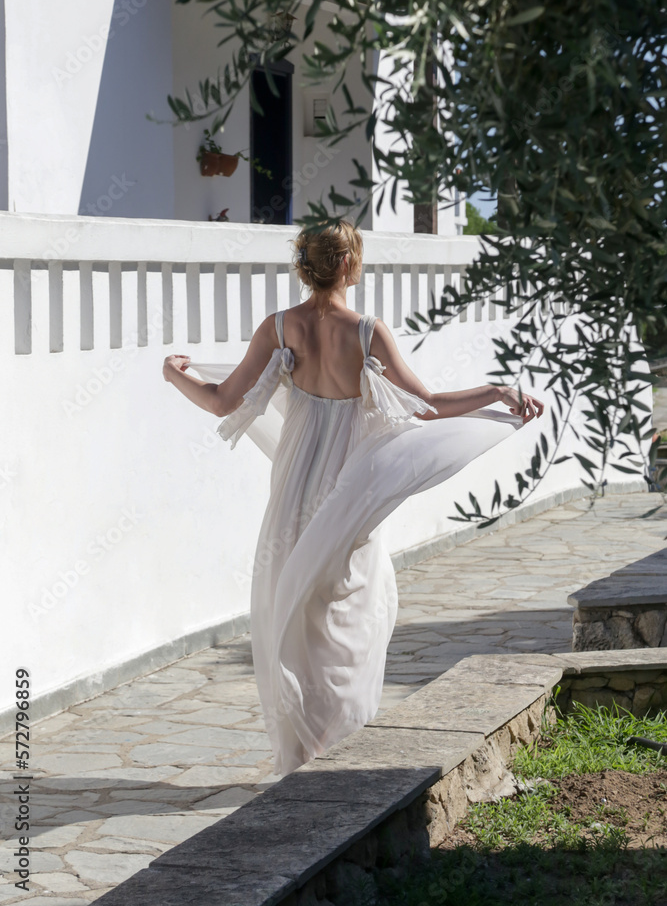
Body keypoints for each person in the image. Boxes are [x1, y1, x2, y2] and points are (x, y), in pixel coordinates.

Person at [162, 220, 544, 776]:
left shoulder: (279, 327)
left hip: (293, 484)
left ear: (307, 265)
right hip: (349, 486)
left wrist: (173, 376)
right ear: (347, 264)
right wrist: (496, 390)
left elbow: (222, 401)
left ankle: (300, 740)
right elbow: (428, 405)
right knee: (349, 606)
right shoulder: (367, 332)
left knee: (293, 599)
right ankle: (339, 735)